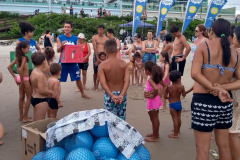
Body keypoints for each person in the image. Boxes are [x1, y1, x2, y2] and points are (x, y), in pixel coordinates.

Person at [191, 18, 240, 160]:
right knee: (224, 146)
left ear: (211, 30)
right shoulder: (235, 54)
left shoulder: (204, 46)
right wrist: (222, 88)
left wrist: (214, 88)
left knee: (202, 149)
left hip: (204, 102)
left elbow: (194, 74)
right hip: (225, 104)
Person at [57, 22, 90, 99]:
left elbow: (79, 48)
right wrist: (62, 45)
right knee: (58, 80)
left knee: (78, 78)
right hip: (63, 62)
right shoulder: (59, 37)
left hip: (73, 62)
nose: (66, 28)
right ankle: (57, 97)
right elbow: (58, 50)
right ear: (63, 28)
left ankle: (83, 94)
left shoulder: (75, 38)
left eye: (68, 27)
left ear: (71, 28)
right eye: (65, 27)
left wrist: (81, 49)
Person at [98, 39, 130, 120]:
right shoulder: (123, 63)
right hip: (121, 94)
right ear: (117, 50)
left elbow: (103, 83)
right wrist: (122, 95)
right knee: (121, 118)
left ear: (105, 51)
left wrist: (112, 95)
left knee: (109, 119)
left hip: (110, 94)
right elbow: (127, 81)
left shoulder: (103, 65)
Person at [7, 41, 33, 123]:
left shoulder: (18, 57)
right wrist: (22, 81)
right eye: (27, 48)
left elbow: (9, 67)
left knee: (21, 97)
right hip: (24, 79)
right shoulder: (24, 58)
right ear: (23, 49)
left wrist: (15, 77)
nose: (28, 50)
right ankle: (25, 117)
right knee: (29, 98)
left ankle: (21, 116)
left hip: (19, 78)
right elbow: (21, 69)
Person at [30, 52, 55, 121]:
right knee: (39, 123)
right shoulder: (39, 75)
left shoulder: (34, 71)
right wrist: (51, 92)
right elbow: (42, 91)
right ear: (44, 62)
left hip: (34, 97)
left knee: (35, 120)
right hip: (41, 100)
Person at [144, 61, 164, 142]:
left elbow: (155, 88)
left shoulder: (150, 79)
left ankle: (155, 137)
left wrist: (154, 95)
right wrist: (160, 94)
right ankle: (155, 133)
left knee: (154, 118)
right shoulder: (156, 77)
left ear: (148, 71)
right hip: (155, 100)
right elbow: (165, 86)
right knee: (154, 118)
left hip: (152, 101)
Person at [164, 70, 186, 138]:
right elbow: (184, 95)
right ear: (179, 79)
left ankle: (175, 134)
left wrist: (169, 97)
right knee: (178, 118)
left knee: (174, 119)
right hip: (179, 104)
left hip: (172, 105)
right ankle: (177, 130)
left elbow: (165, 96)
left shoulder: (168, 87)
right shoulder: (181, 87)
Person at [92, 25, 108, 91]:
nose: (100, 31)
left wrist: (106, 57)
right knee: (95, 71)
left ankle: (103, 85)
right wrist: (97, 58)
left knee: (104, 71)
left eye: (101, 29)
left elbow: (106, 48)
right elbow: (94, 48)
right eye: (98, 29)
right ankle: (95, 85)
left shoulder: (106, 39)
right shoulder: (94, 37)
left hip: (104, 55)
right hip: (97, 54)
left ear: (103, 30)